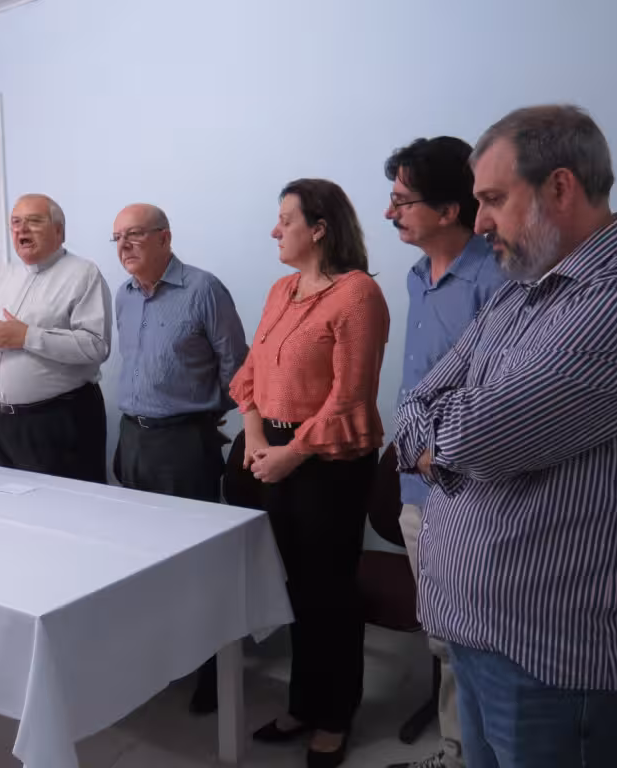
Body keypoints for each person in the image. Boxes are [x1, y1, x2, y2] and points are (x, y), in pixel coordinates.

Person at [395, 105, 617, 768]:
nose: (479, 223)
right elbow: (415, 403)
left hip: (563, 666)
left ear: (561, 187)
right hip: (486, 640)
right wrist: (438, 432)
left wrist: (439, 438)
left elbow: (481, 437)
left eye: (493, 200)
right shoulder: (522, 290)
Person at [231, 179, 390, 768]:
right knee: (293, 589)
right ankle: (302, 703)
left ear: (319, 229)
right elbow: (251, 372)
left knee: (330, 592)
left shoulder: (357, 295)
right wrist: (254, 437)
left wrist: (291, 453)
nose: (275, 231)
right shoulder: (282, 290)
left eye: (286, 220)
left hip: (328, 462)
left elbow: (350, 398)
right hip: (271, 451)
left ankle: (334, 716)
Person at [383, 138, 505, 768]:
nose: (390, 213)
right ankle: (456, 749)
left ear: (450, 210)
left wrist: (437, 453)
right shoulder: (415, 277)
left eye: (403, 201)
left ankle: (472, 753)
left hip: (468, 489)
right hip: (416, 487)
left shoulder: (498, 280)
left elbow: (498, 395)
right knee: (443, 636)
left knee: (479, 638)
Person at [112, 202, 248, 714]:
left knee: (194, 564)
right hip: (132, 438)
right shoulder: (124, 295)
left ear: (165, 238)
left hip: (184, 443)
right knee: (142, 558)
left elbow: (238, 371)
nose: (124, 246)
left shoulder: (203, 289)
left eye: (134, 235)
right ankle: (161, 658)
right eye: (117, 238)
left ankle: (213, 669)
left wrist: (199, 414)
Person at [0, 194, 111, 482]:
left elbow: (97, 345)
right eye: (16, 222)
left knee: (61, 506)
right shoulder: (5, 274)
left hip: (56, 421)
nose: (22, 229)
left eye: (33, 221)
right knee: (9, 504)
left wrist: (27, 336)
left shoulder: (83, 274)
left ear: (59, 230)